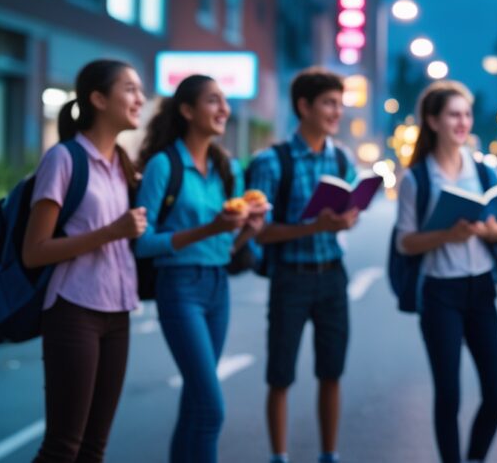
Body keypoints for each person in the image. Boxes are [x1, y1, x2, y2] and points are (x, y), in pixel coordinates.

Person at [134, 74, 267, 463]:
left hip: (217, 286)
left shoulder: (227, 168)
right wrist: (210, 228)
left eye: (224, 101)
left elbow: (224, 248)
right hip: (179, 288)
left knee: (195, 404)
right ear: (188, 110)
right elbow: (142, 242)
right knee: (211, 409)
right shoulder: (164, 166)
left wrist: (246, 232)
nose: (224, 109)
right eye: (213, 101)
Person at [22, 59, 148, 462]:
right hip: (73, 310)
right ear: (97, 98)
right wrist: (110, 232)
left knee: (94, 447)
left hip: (118, 312)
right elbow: (35, 250)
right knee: (63, 446)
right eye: (129, 89)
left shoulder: (122, 166)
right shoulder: (64, 159)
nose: (139, 98)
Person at [247, 68, 360, 463]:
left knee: (332, 371)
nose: (336, 112)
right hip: (290, 278)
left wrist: (347, 219)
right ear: (303, 106)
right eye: (329, 103)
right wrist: (313, 226)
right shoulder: (271, 162)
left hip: (332, 274)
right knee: (281, 374)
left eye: (339, 104)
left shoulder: (343, 158)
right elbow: (258, 233)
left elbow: (348, 213)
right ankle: (279, 456)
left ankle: (329, 454)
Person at [395, 81, 497, 463]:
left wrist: (490, 230)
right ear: (432, 120)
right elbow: (405, 242)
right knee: (449, 396)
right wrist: (447, 235)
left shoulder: (483, 171)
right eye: (453, 114)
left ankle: (474, 457)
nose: (462, 122)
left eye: (466, 113)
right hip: (440, 292)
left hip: (481, 290)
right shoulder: (417, 179)